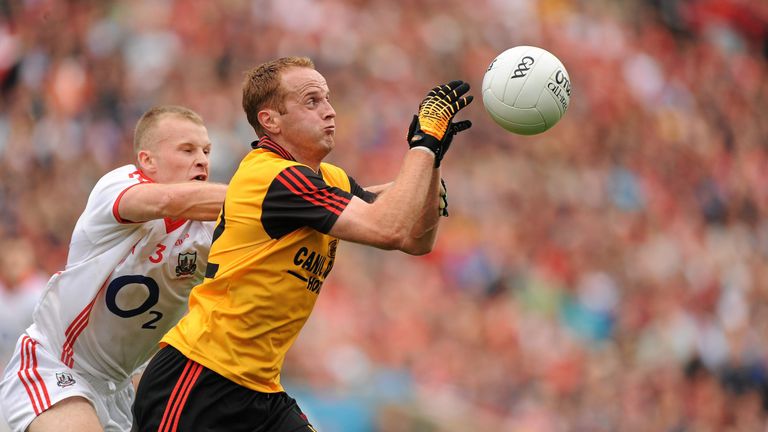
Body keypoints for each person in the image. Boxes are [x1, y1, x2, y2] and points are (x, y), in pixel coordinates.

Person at [131, 56, 472, 431]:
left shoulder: (329, 179)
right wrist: (422, 145)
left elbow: (413, 238)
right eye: (312, 102)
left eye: (327, 99)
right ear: (270, 121)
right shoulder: (272, 175)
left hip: (260, 389)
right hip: (199, 379)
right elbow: (388, 228)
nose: (330, 112)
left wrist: (433, 157)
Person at [0, 105, 228, 432]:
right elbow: (167, 202)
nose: (202, 159)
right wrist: (264, 196)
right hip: (56, 367)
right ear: (148, 161)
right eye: (187, 149)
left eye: (206, 150)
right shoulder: (119, 185)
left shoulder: (208, 230)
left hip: (119, 389)